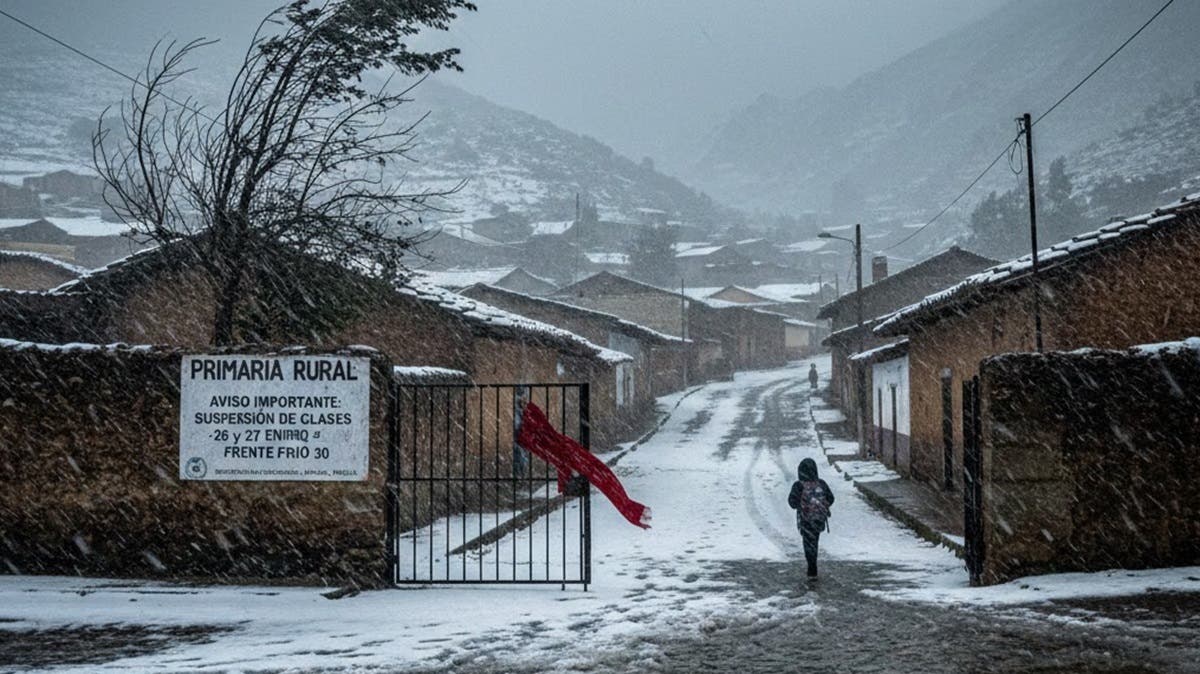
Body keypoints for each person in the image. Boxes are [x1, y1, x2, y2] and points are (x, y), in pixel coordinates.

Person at [788, 458, 834, 579]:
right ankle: (813, 565)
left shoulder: (799, 485)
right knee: (815, 541)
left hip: (805, 519)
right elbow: (831, 498)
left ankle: (811, 567)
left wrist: (801, 505)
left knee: (808, 542)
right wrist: (821, 505)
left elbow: (791, 502)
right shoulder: (821, 484)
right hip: (818, 519)